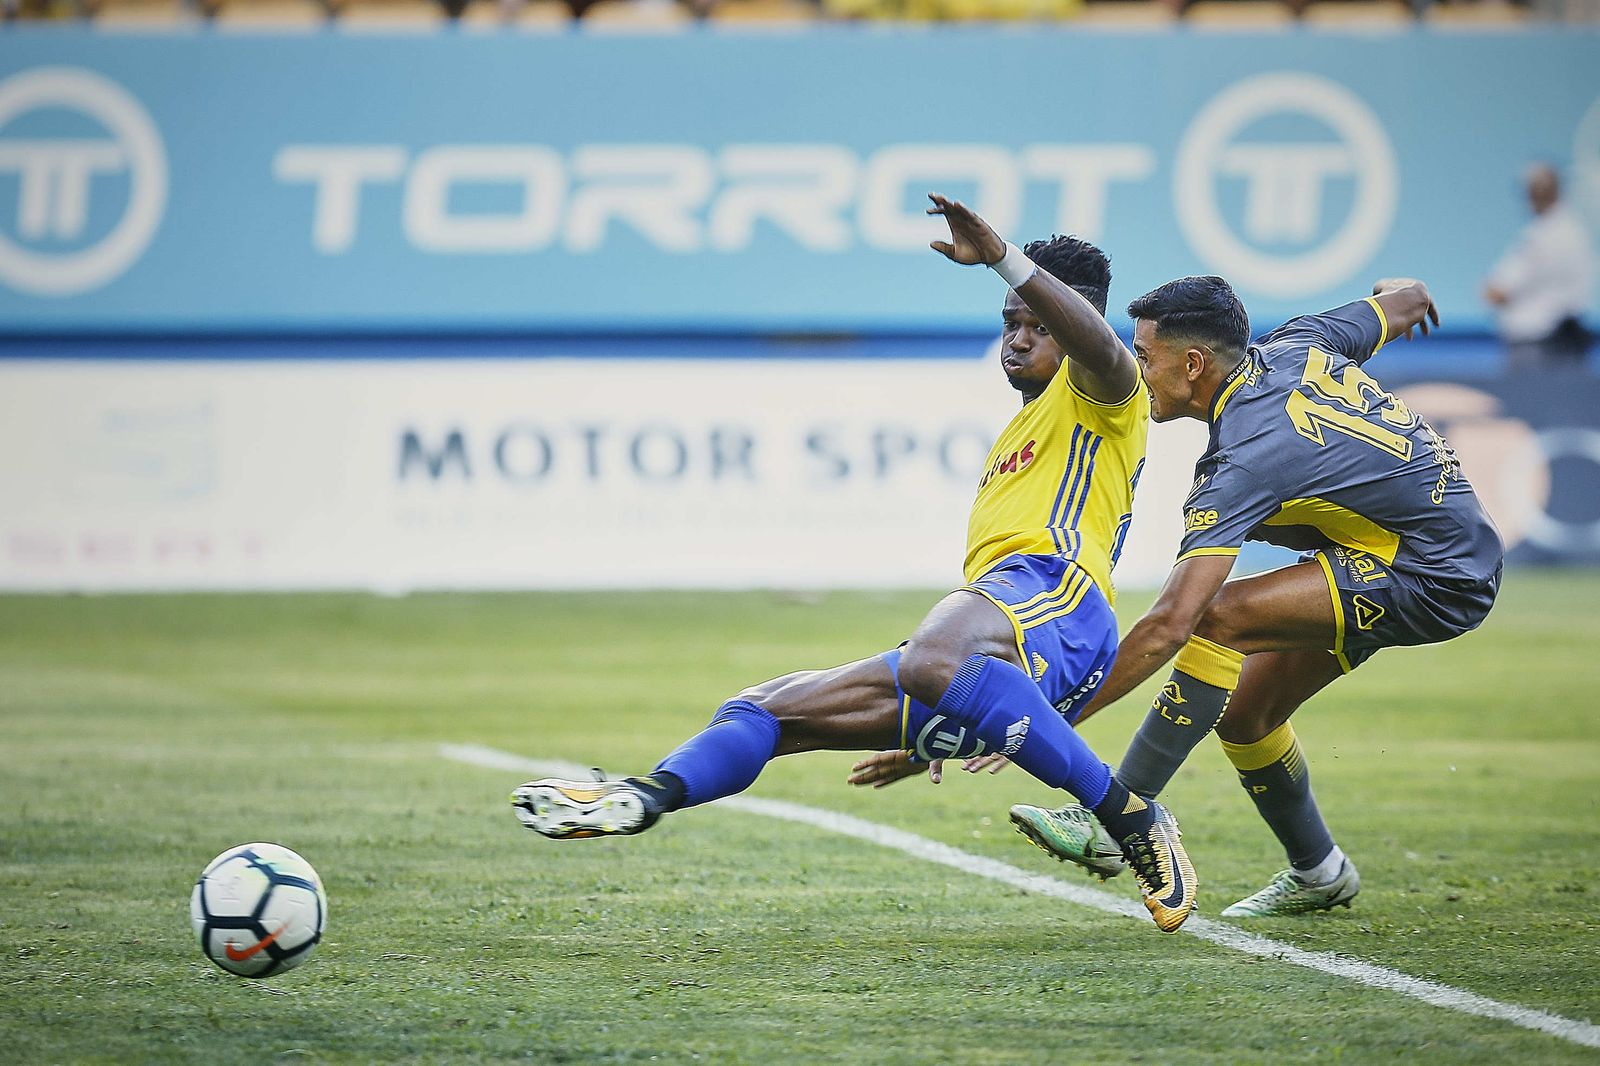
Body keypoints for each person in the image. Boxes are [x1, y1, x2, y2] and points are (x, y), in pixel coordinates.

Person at [511, 194, 1201, 932]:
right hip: (997, 640)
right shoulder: (1018, 431)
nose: (1020, 340)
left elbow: (1094, 343)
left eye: (1038, 326)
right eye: (1009, 324)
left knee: (931, 654)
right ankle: (646, 796)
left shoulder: (1106, 391)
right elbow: (948, 659)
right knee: (766, 710)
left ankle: (1129, 817)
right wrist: (968, 712)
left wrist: (1003, 258)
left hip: (1059, 604)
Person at [853, 275, 1504, 918]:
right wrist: (1406, 290)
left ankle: (1115, 817)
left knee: (1219, 619)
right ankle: (1320, 871)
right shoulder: (1302, 342)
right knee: (1247, 714)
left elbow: (1170, 625)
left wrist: (1039, 724)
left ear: (1193, 364)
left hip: (1433, 573)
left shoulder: (1244, 458)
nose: (1137, 372)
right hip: (1399, 551)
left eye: (1145, 357)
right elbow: (1411, 298)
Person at [1483, 163, 1595, 370]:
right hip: (1560, 343)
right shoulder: (1573, 232)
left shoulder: (1544, 237)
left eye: (1534, 189)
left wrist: (1492, 292)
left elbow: (1499, 293)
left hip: (1538, 345)